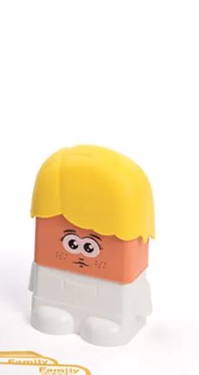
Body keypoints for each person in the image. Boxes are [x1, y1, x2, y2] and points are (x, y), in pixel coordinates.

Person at [29, 145, 154, 346]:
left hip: (111, 313)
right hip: (53, 299)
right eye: (72, 243)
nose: (80, 255)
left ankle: (113, 322)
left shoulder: (124, 187)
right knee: (51, 317)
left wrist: (136, 310)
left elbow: (138, 294)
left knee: (105, 328)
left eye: (89, 247)